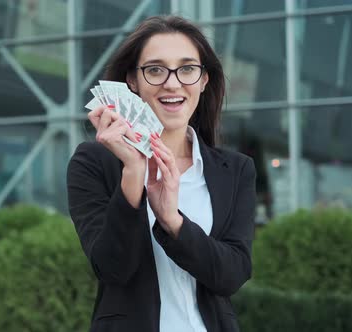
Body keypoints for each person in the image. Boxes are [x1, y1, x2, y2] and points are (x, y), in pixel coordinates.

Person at [66, 15, 256, 332]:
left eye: (187, 69)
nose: (172, 82)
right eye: (155, 70)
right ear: (132, 80)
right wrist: (134, 172)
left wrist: (173, 221)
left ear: (204, 79)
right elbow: (113, 269)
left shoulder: (236, 170)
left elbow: (232, 274)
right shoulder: (93, 162)